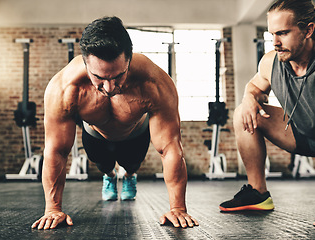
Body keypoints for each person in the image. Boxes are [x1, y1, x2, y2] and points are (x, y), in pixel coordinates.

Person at [31, 16, 198, 230]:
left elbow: (170, 147)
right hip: (95, 135)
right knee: (104, 166)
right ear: (85, 63)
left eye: (118, 76)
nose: (109, 88)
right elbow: (56, 150)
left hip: (135, 135)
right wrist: (53, 209)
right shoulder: (64, 88)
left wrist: (178, 208)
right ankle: (110, 176)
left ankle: (129, 176)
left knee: (131, 165)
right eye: (99, 77)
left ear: (129, 59)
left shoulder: (154, 83)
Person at [219, 0, 315, 231]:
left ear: (309, 30)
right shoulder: (271, 61)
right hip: (301, 135)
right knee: (243, 112)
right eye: (272, 34)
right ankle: (258, 193)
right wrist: (249, 98)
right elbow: (254, 87)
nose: (275, 42)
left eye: (283, 33)